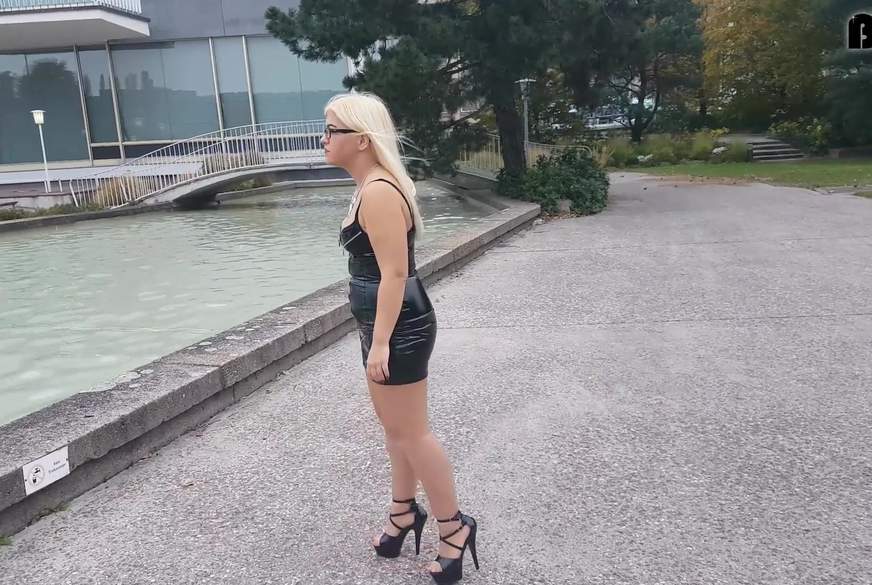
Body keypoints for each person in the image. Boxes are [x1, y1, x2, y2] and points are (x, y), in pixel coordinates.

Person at [328, 92, 479, 584]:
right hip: (380, 325)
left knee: (413, 433)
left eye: (332, 130)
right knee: (396, 431)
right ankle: (402, 512)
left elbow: (395, 273)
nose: (323, 139)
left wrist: (380, 343)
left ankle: (454, 528)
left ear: (362, 139)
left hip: (399, 328)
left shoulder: (378, 191)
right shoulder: (367, 187)